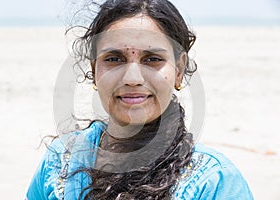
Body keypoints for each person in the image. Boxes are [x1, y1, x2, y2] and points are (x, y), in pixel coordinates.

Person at [26, 0, 254, 199]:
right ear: (94, 69)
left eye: (152, 59)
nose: (133, 78)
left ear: (179, 70)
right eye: (114, 59)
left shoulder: (213, 182)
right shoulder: (60, 162)